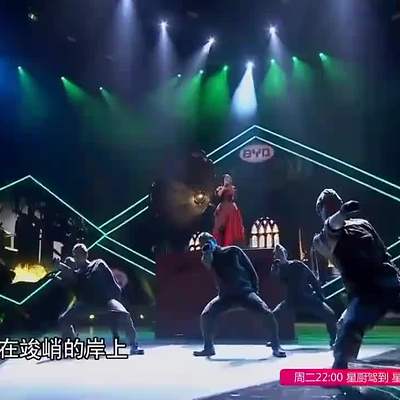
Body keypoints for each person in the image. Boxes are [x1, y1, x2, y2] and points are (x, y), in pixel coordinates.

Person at [313, 189, 400, 368]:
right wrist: (342, 212)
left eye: (335, 203)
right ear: (321, 212)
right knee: (347, 333)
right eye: (327, 206)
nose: (332, 208)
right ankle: (340, 372)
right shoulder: (321, 239)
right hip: (365, 295)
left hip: (391, 284)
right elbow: (332, 227)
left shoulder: (363, 224)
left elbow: (383, 253)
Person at [193, 232, 286, 358]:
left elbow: (251, 270)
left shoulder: (233, 250)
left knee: (267, 313)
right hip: (225, 296)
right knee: (206, 315)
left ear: (214, 240)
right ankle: (208, 348)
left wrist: (254, 291)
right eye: (202, 244)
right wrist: (207, 253)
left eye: (207, 241)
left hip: (244, 292)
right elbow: (207, 264)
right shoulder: (209, 257)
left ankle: (276, 346)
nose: (205, 244)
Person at [56, 243, 144, 355]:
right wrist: (62, 270)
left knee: (124, 315)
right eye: (76, 256)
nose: (78, 258)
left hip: (105, 301)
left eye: (80, 255)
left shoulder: (98, 264)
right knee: (64, 319)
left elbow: (113, 283)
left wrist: (115, 300)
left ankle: (134, 345)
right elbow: (72, 286)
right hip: (87, 304)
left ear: (86, 254)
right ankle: (72, 345)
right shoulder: (76, 274)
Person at [271, 244, 337, 347]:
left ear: (286, 254)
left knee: (330, 314)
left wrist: (321, 297)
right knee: (273, 316)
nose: (280, 255)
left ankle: (334, 339)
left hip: (306, 298)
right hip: (291, 301)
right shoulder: (279, 268)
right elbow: (276, 279)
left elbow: (312, 279)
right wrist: (277, 267)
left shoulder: (297, 264)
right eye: (277, 254)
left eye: (281, 252)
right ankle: (274, 340)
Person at [213, 174, 245, 246]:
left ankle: (229, 242)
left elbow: (235, 197)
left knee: (231, 226)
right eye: (226, 179)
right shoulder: (220, 188)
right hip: (222, 208)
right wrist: (224, 187)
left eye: (228, 179)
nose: (227, 180)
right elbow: (218, 195)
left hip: (231, 208)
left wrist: (230, 189)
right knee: (219, 227)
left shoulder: (233, 188)